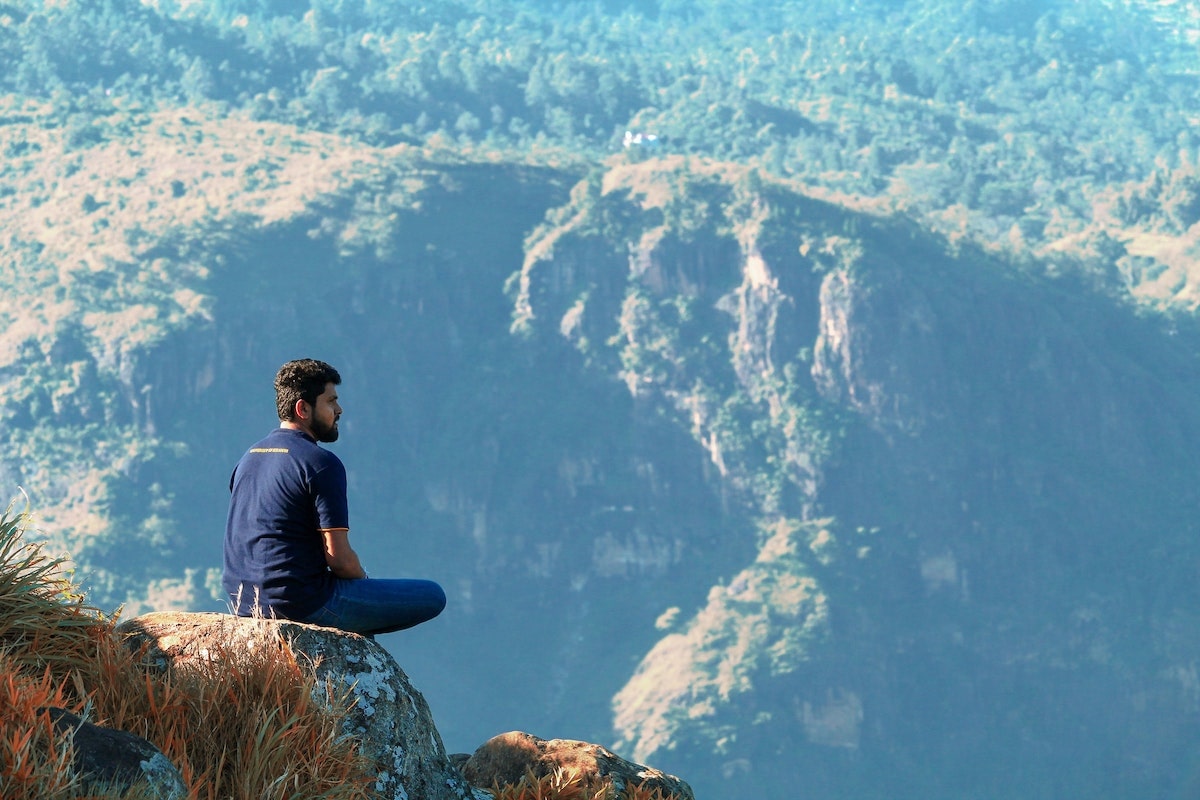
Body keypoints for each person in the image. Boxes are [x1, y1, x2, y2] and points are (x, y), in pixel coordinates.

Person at [222, 358, 445, 637]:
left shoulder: (249, 457)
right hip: (298, 604)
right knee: (433, 596)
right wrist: (362, 582)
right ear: (303, 408)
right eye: (331, 401)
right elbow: (339, 559)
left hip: (243, 601)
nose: (339, 410)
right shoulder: (320, 463)